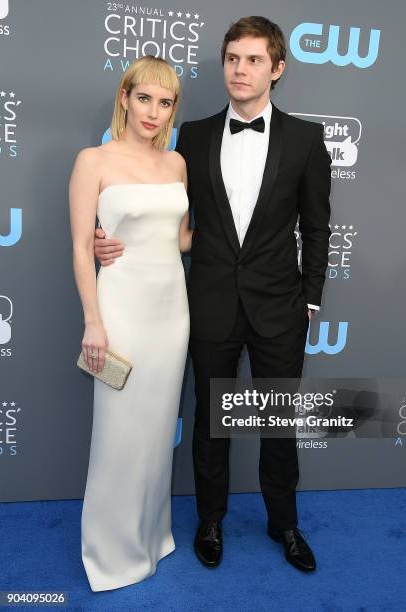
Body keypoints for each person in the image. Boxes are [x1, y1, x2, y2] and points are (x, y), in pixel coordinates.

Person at [95, 16, 331, 573]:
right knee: (209, 423)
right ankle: (210, 520)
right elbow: (162, 210)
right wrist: (110, 235)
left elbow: (317, 227)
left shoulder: (305, 138)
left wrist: (311, 299)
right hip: (208, 304)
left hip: (280, 307)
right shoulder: (192, 138)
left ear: (276, 69)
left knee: (277, 424)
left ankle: (284, 524)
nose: (239, 70)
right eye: (232, 59)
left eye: (252, 60)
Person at [69, 56, 192, 592]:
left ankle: (150, 535)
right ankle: (112, 553)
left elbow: (182, 238)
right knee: (119, 434)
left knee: (155, 432)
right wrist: (93, 321)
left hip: (172, 312)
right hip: (120, 311)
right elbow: (79, 247)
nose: (154, 112)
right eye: (144, 98)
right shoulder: (93, 159)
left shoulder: (177, 164)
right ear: (124, 98)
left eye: (165, 103)